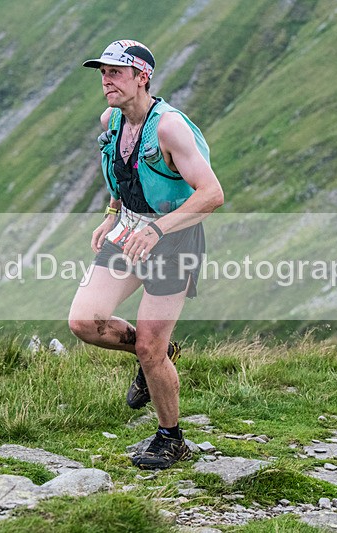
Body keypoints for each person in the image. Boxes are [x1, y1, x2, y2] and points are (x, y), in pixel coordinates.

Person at [68, 40, 224, 469]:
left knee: (150, 348)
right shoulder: (112, 120)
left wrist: (158, 228)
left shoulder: (170, 127)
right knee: (84, 321)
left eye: (116, 73)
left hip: (174, 238)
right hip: (131, 228)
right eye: (102, 73)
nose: (106, 81)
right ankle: (156, 353)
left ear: (142, 77)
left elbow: (212, 194)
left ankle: (171, 438)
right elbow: (124, 172)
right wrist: (111, 214)